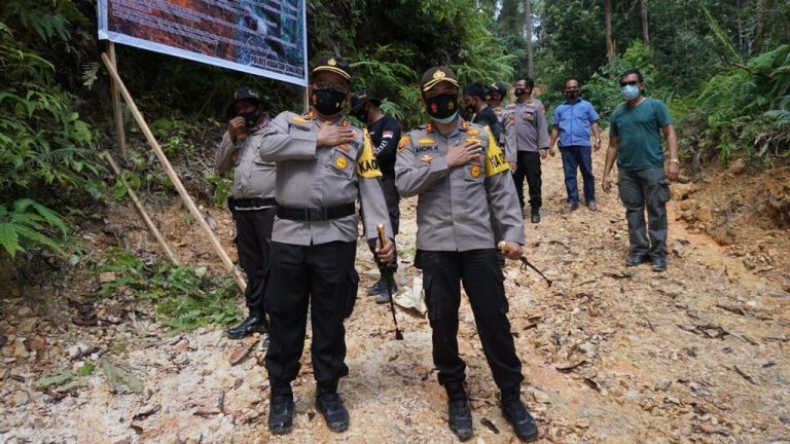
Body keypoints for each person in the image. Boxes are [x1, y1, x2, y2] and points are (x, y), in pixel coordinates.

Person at [395, 66, 539, 442]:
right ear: (424, 100)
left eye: (448, 92)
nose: (442, 99)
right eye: (434, 93)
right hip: (437, 248)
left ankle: (511, 395)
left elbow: (501, 188)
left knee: (493, 319)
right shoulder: (411, 141)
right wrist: (447, 161)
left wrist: (513, 234)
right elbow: (403, 183)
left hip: (479, 245)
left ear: (458, 96)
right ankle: (456, 393)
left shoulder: (481, 135)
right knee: (443, 323)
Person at [258, 55, 395, 435]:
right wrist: (316, 138)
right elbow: (265, 148)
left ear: (348, 95)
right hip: (289, 236)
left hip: (336, 238)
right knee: (284, 315)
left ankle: (328, 390)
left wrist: (383, 240)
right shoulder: (288, 122)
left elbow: (370, 190)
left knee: (330, 318)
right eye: (323, 84)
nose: (329, 91)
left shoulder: (359, 138)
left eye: (337, 87)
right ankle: (281, 390)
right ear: (311, 89)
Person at [602, 68, 679, 272]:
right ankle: (639, 250)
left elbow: (669, 132)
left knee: (656, 210)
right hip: (627, 170)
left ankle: (659, 254)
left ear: (641, 85)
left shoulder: (655, 106)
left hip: (652, 167)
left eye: (632, 83)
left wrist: (674, 160)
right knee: (633, 211)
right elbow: (613, 145)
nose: (628, 87)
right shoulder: (618, 113)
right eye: (624, 84)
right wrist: (606, 174)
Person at [215, 87, 276, 340]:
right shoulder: (236, 136)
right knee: (252, 266)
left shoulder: (275, 132)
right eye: (239, 109)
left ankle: (280, 319)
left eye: (247, 107)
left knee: (275, 265)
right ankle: (256, 316)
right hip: (243, 210)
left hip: (270, 208)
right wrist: (230, 137)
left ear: (259, 108)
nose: (243, 112)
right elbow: (219, 167)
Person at [349, 89, 402, 303]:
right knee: (372, 229)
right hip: (367, 184)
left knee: (384, 228)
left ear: (368, 106)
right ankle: (383, 275)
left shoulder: (388, 124)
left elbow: (386, 149)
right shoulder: (366, 129)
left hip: (386, 182)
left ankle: (391, 281)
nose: (358, 114)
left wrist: (367, 156)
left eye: (358, 110)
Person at [549, 78, 602, 212]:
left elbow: (594, 122)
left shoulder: (587, 106)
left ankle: (590, 199)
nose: (572, 89)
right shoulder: (560, 109)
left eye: (574, 87)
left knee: (587, 172)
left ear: (578, 89)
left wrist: (597, 138)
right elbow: (556, 128)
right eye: (569, 88)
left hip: (583, 144)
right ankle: (573, 200)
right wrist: (551, 145)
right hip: (566, 145)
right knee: (569, 174)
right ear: (565, 91)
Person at [503, 76, 550, 223]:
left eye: (520, 85)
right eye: (516, 85)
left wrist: (543, 146)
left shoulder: (536, 106)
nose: (517, 87)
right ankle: (518, 209)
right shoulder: (508, 107)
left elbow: (542, 127)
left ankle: (535, 209)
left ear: (528, 89)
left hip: (530, 150)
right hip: (513, 152)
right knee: (515, 181)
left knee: (534, 181)